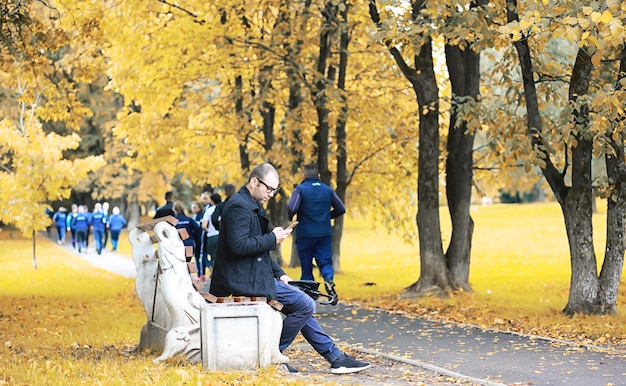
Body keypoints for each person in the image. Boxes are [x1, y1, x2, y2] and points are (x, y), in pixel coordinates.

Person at [210, 163, 370, 375]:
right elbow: (238, 246)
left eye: (274, 190)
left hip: (251, 276)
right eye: (269, 189)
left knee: (302, 303)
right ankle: (273, 354)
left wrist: (280, 274)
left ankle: (335, 358)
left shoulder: (247, 203)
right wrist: (272, 239)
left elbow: (257, 252)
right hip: (241, 281)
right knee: (305, 304)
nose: (271, 194)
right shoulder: (239, 206)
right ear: (254, 181)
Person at [286, 164, 345, 306]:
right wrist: (327, 216)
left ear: (303, 176)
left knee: (306, 266)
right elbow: (341, 208)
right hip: (324, 233)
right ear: (318, 176)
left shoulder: (299, 190)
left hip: (305, 234)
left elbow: (292, 207)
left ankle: (309, 296)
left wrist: (291, 217)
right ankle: (328, 279)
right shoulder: (328, 190)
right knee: (325, 261)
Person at [200, 193, 221, 279]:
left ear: (212, 201)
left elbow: (204, 226)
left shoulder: (208, 211)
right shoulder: (224, 209)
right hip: (221, 235)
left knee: (213, 257)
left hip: (211, 237)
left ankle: (213, 273)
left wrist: (210, 231)